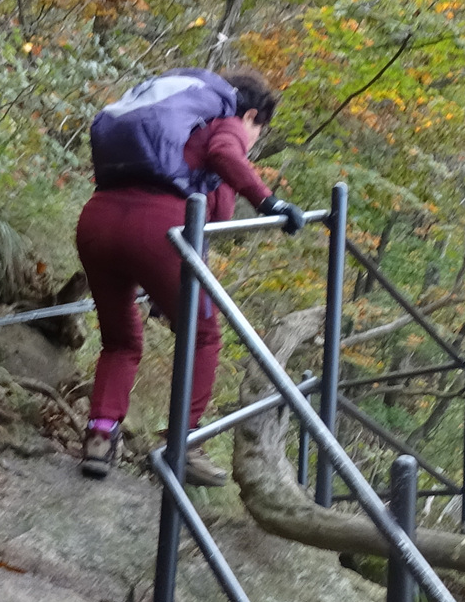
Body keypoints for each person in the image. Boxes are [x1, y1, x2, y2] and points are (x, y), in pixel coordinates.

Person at [74, 66, 300, 483]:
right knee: (202, 335)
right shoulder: (227, 122)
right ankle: (184, 442)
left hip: (98, 220)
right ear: (251, 116)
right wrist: (269, 202)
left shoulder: (179, 128)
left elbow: (217, 209)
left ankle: (100, 436)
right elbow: (225, 158)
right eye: (258, 132)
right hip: (160, 228)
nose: (253, 141)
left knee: (120, 340)